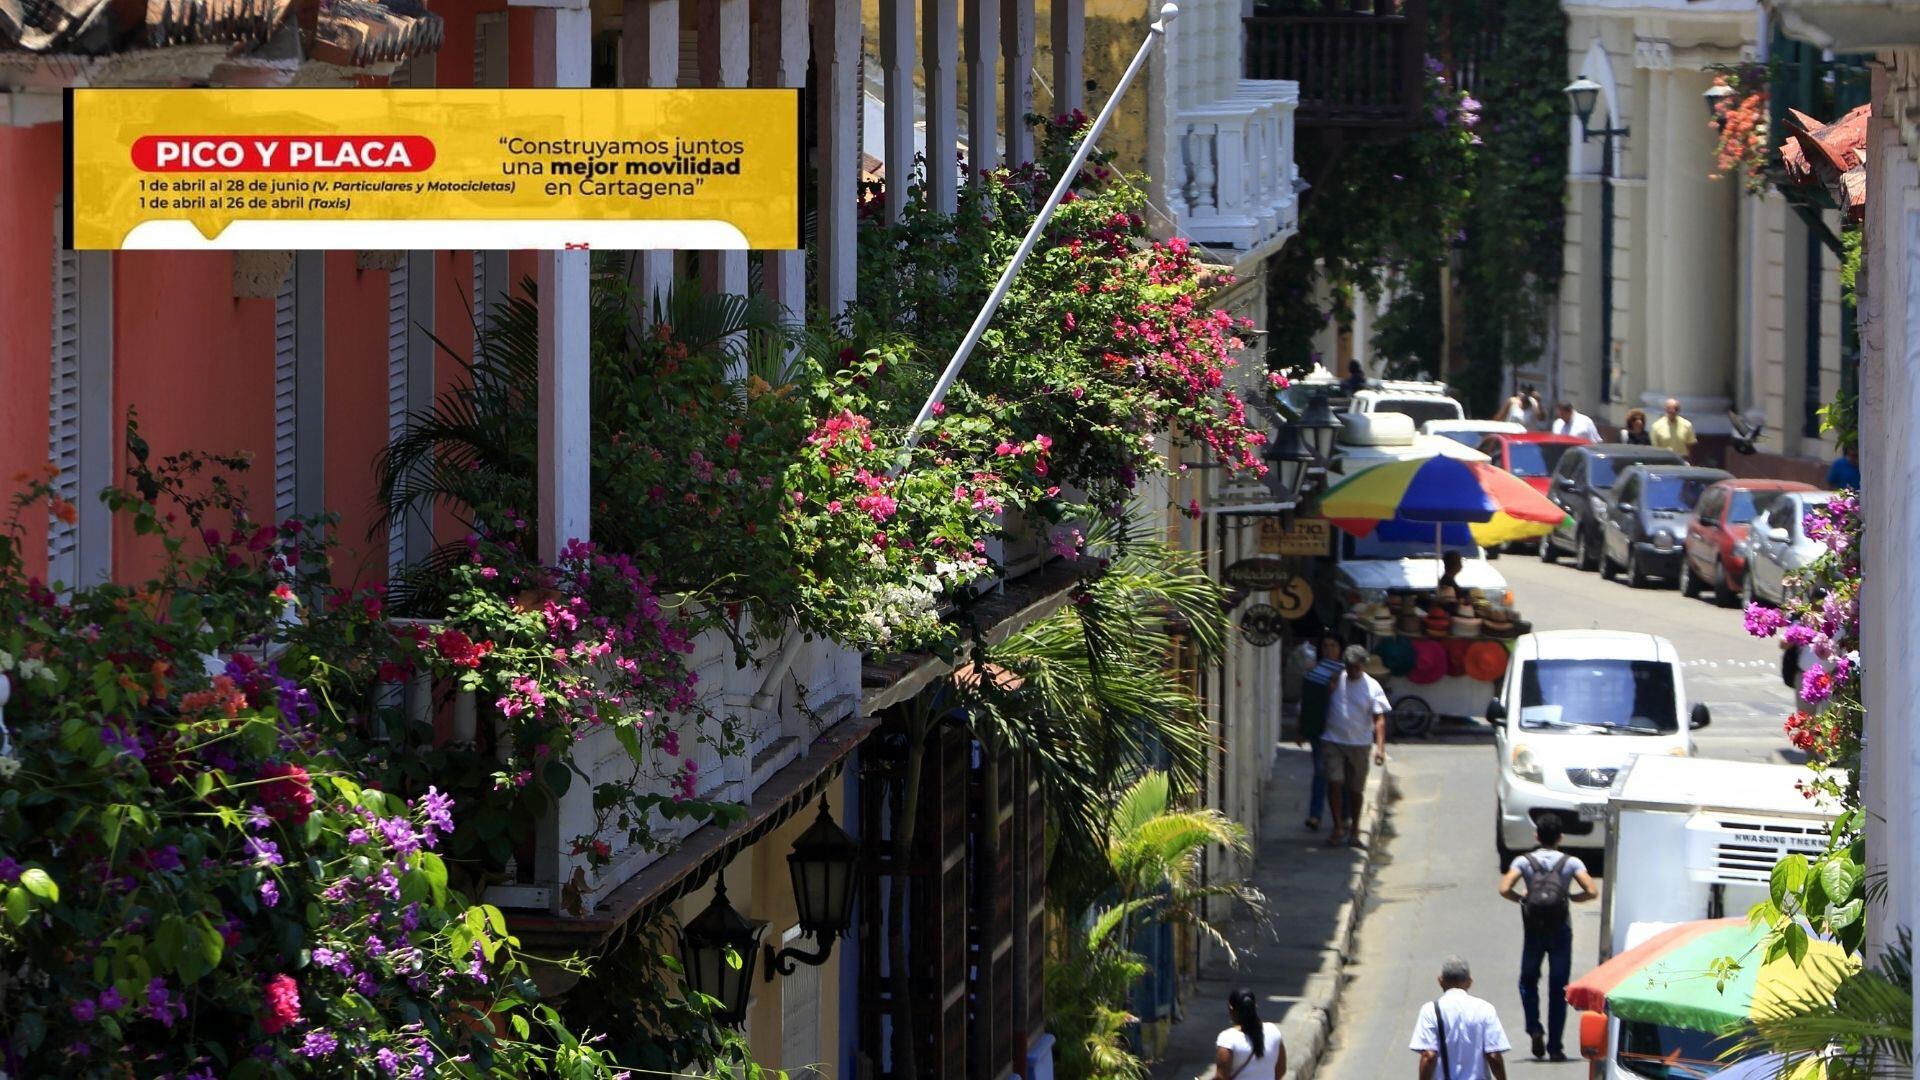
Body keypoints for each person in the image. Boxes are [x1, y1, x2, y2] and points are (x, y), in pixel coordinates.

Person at [1497, 813, 1598, 1061]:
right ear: (1560, 837)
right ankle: (1555, 1047)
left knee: (1527, 981)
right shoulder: (1571, 862)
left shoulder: (1524, 861)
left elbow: (1504, 888)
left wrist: (1522, 899)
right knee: (1559, 988)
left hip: (1534, 930)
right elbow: (1592, 891)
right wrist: (1571, 898)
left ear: (1536, 836)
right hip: (1560, 930)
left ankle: (1534, 1028)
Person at [1324, 644, 1388, 847]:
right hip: (1333, 740)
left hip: (1359, 744)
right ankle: (1337, 827)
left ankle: (1355, 829)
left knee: (1355, 789)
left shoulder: (1372, 687)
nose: (1352, 671)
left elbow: (1379, 719)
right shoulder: (1336, 679)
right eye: (1349, 667)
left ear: (1363, 666)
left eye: (1356, 667)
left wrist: (1380, 749)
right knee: (1334, 783)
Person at [1409, 956, 1510, 1080]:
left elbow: (1429, 1056)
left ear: (1440, 981)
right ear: (1470, 982)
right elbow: (1494, 1056)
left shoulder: (1430, 1011)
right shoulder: (1485, 1009)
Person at [1296, 635, 1344, 832]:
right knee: (1320, 772)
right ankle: (1315, 815)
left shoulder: (1347, 674)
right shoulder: (1313, 673)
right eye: (1325, 646)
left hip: (1342, 732)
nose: (1329, 649)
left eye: (1333, 645)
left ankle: (1344, 817)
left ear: (1340, 649)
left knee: (1341, 778)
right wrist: (1303, 730)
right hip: (1320, 732)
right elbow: (1307, 703)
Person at [1214, 988, 1286, 1080]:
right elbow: (1281, 1070)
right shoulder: (1273, 1031)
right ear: (1255, 1007)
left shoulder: (1227, 1039)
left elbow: (1221, 1077)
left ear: (1231, 1009)